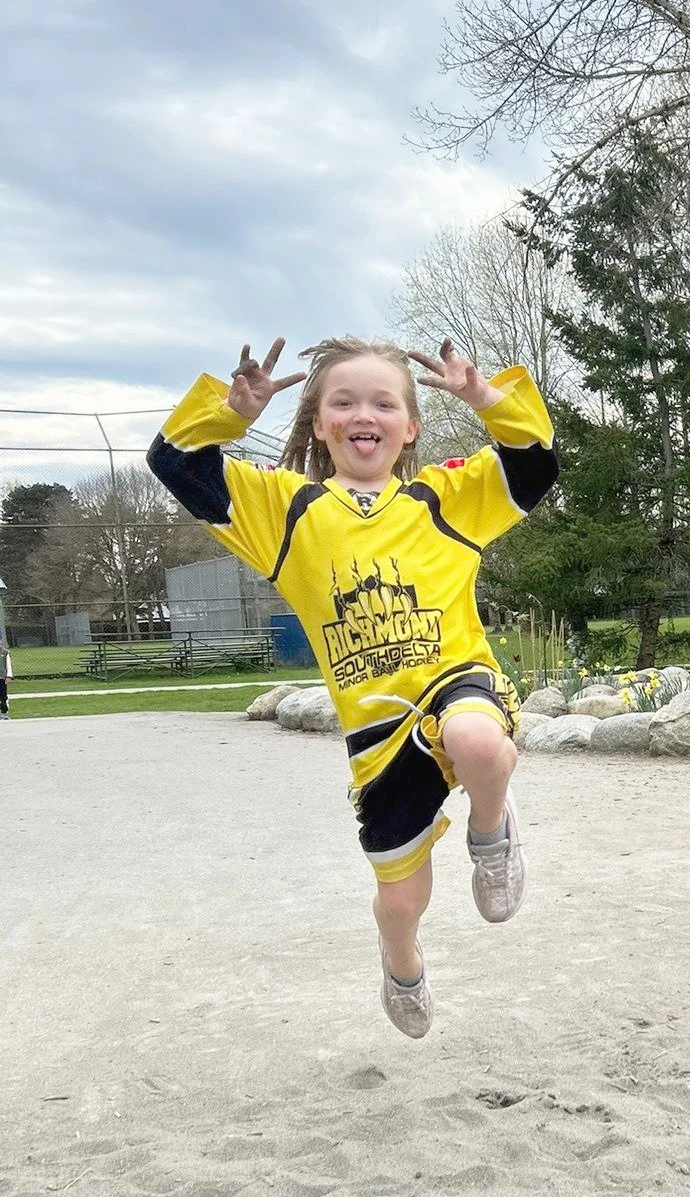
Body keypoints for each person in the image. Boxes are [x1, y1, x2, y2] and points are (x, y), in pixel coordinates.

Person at [148, 336, 557, 1039]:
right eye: (343, 401)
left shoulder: (448, 497)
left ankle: (492, 836)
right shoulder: (284, 510)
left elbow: (536, 462)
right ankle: (403, 964)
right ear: (318, 424)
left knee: (477, 740)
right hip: (376, 731)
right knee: (400, 901)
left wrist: (486, 398)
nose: (362, 413)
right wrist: (228, 413)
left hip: (456, 678)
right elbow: (175, 463)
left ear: (409, 426)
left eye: (382, 401)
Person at [0, 638, 11, 719]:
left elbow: (8, 665)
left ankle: (4, 713)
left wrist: (8, 676)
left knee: (3, 696)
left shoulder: (5, 652)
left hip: (2, 678)